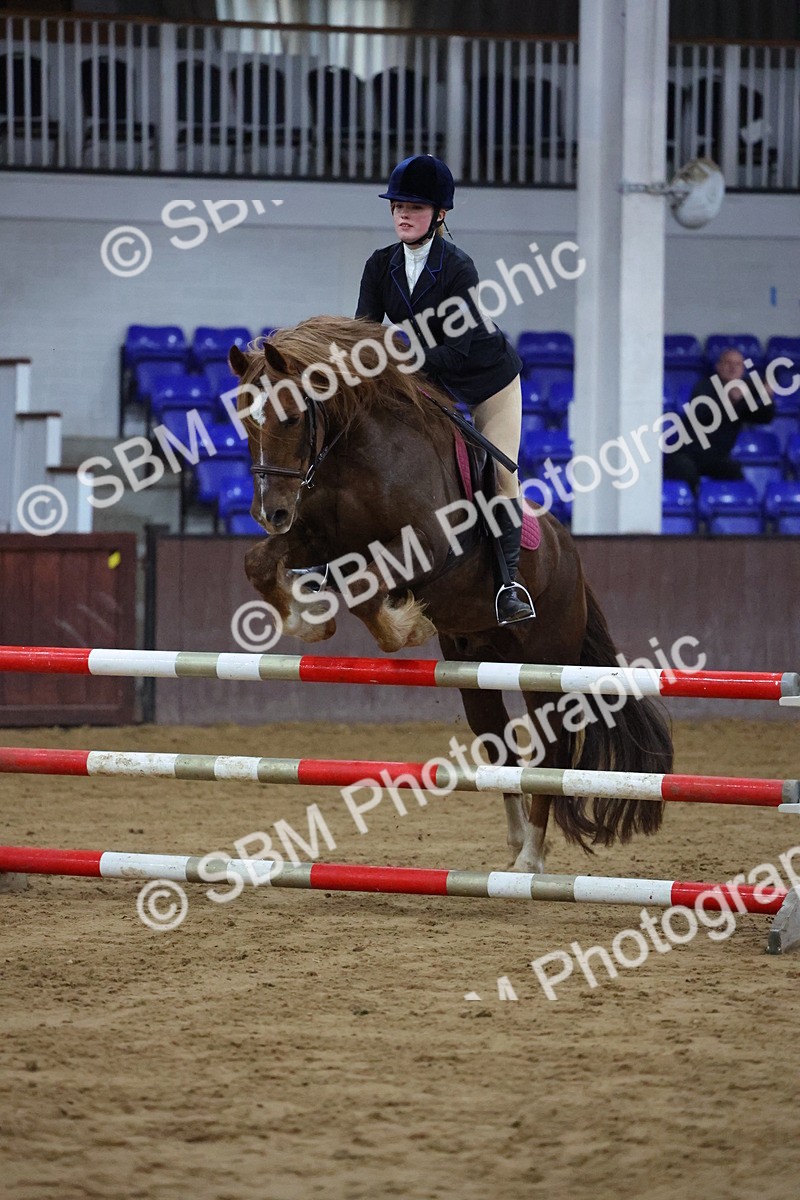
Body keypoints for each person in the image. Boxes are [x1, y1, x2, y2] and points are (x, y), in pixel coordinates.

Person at [355, 154, 534, 625]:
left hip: (485, 379)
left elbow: (454, 353)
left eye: (414, 207)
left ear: (439, 214)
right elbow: (364, 333)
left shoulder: (458, 267)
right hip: (430, 379)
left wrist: (393, 356)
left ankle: (508, 585)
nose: (402, 214)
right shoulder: (380, 265)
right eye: (398, 205)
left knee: (500, 471)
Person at [663, 347, 774, 491]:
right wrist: (730, 400)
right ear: (718, 366)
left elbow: (764, 417)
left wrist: (767, 396)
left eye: (738, 364)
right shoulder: (705, 386)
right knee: (684, 470)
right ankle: (693, 502)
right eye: (728, 363)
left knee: (734, 473)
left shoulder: (745, 390)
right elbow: (702, 415)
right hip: (688, 453)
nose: (733, 368)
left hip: (717, 458)